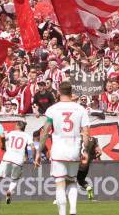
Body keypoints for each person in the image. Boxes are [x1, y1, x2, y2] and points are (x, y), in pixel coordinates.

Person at [35, 81, 90, 215]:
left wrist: (38, 152)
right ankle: (73, 211)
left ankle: (63, 213)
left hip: (59, 150)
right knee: (71, 181)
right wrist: (85, 150)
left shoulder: (52, 109)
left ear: (58, 92)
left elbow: (45, 131)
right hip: (74, 150)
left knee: (60, 183)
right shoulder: (81, 109)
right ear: (72, 93)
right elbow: (86, 133)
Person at [0, 120, 34, 204]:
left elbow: (2, 137)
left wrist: (3, 146)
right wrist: (33, 158)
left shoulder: (11, 133)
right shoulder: (27, 135)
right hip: (18, 160)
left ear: (17, 126)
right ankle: (10, 190)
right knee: (14, 179)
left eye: (15, 125)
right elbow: (32, 147)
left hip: (7, 157)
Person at [77, 134, 101, 201]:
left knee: (66, 180)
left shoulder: (75, 137)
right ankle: (88, 187)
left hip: (76, 163)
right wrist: (91, 158)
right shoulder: (93, 139)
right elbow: (99, 152)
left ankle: (57, 199)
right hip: (86, 165)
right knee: (81, 180)